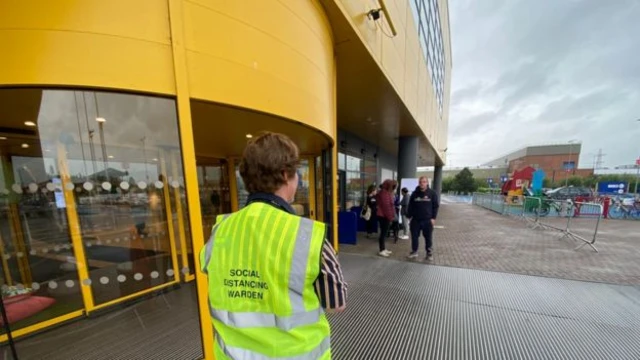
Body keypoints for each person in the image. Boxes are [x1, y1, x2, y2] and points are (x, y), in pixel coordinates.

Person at [199, 132, 347, 359]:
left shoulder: (220, 230)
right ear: (286, 174)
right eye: (297, 174)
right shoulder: (309, 237)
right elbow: (336, 303)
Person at [406, 176, 439, 261]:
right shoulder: (414, 193)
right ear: (419, 183)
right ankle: (414, 252)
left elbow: (435, 206)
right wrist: (409, 216)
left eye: (424, 182)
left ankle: (429, 253)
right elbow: (410, 206)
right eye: (421, 182)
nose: (422, 183)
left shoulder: (432, 193)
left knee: (428, 237)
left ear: (427, 183)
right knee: (414, 237)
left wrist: (433, 218)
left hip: (427, 220)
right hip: (416, 220)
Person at [375, 179, 395, 257]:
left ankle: (383, 249)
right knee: (383, 233)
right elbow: (386, 207)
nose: (393, 188)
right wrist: (390, 217)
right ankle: (381, 250)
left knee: (384, 233)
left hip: (384, 216)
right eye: (392, 186)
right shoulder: (384, 193)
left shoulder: (385, 192)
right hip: (384, 216)